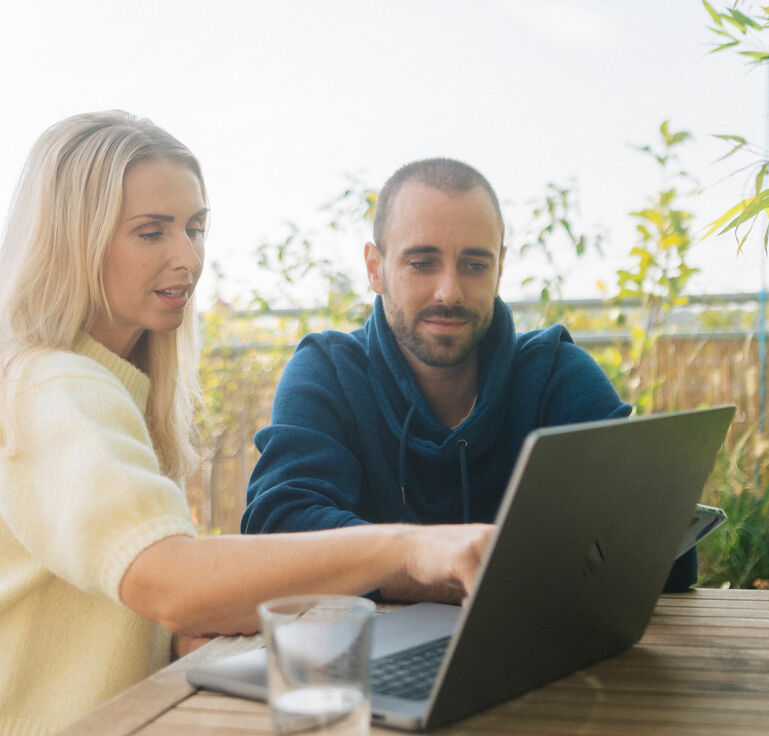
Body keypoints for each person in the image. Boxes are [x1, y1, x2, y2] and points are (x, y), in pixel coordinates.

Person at [0, 113, 491, 736]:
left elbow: (139, 588)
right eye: (152, 232)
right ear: (73, 243)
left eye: (195, 228)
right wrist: (405, 547)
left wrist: (168, 635)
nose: (188, 256)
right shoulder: (44, 385)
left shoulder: (107, 389)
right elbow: (164, 575)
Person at [241, 157, 695, 604]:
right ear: (375, 268)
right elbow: (278, 530)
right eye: (422, 262)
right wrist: (434, 564)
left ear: (500, 266)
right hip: (361, 663)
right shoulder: (328, 373)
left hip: (535, 656)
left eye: (474, 265)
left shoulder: (556, 373)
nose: (449, 292)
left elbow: (665, 553)